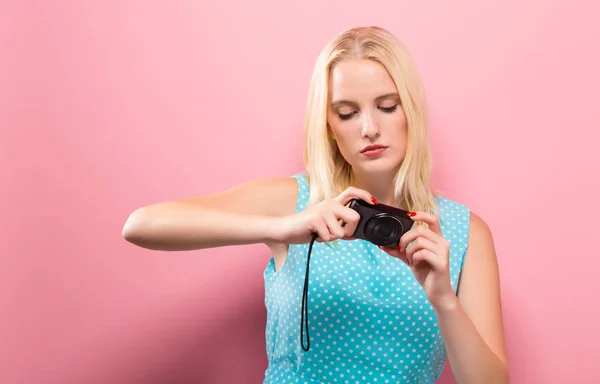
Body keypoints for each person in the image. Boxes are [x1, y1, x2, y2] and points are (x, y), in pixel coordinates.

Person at [122, 26, 509, 384]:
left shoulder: (463, 232)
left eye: (387, 106)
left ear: (412, 112)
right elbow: (142, 224)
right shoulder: (294, 201)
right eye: (347, 113)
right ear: (328, 125)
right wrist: (282, 227)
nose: (369, 128)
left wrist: (443, 298)